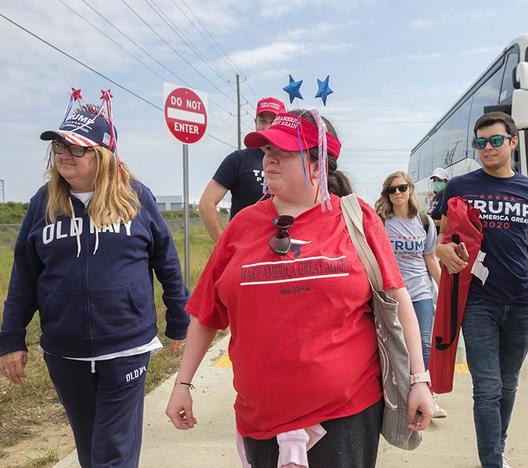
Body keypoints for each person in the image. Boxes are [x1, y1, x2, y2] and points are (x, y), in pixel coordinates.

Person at [166, 109, 433, 467]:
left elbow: (399, 300)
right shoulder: (242, 226)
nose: (269, 158)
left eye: (285, 151)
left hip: (346, 416)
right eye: (266, 149)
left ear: (319, 162)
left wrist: (419, 379)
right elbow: (206, 315)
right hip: (259, 421)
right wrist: (182, 383)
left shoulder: (356, 219)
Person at [0, 93, 190, 468]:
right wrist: (11, 338)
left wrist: (179, 320)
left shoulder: (136, 198)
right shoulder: (43, 203)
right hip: (64, 351)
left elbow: (166, 261)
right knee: (89, 448)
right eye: (59, 145)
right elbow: (24, 275)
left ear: (102, 154)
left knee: (113, 451)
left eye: (77, 147)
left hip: (125, 346)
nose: (65, 153)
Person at [435, 111, 528, 468]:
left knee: (509, 385)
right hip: (478, 302)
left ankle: (496, 447)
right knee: (487, 387)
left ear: (513, 142)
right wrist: (443, 251)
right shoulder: (459, 187)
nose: (487, 148)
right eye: (480, 143)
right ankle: (493, 463)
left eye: (495, 141)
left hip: (520, 301)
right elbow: (439, 239)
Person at [375, 171, 448, 419]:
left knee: (425, 343)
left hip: (420, 292)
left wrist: (445, 290)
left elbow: (430, 258)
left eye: (401, 188)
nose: (397, 193)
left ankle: (428, 393)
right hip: (393, 293)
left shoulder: (424, 221)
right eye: (391, 190)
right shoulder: (381, 222)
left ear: (410, 190)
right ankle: (400, 391)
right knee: (397, 345)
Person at [199, 97, 286, 241]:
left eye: (273, 122)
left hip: (281, 251)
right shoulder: (238, 159)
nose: (267, 127)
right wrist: (223, 246)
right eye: (262, 121)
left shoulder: (291, 162)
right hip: (244, 251)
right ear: (255, 122)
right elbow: (206, 203)